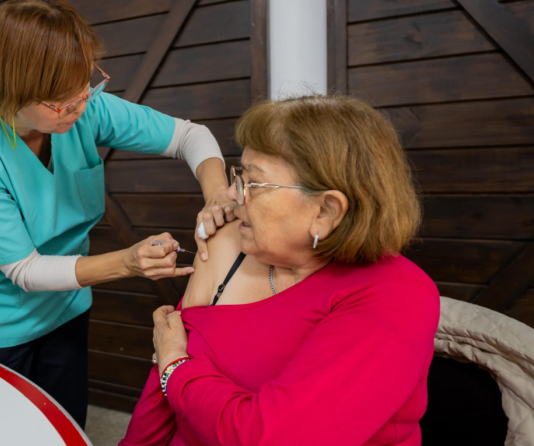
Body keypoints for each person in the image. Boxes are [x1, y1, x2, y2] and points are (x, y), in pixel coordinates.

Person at [0, 0, 236, 428]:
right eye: (61, 104)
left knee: (65, 425)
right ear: (11, 92)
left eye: (85, 90)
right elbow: (26, 270)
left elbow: (189, 136)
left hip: (65, 306)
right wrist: (129, 261)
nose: (78, 109)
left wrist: (217, 193)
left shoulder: (83, 105)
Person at [121, 95, 441, 446]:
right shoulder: (231, 245)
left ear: (326, 211)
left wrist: (174, 367)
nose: (230, 194)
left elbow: (272, 437)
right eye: (238, 174)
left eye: (252, 183)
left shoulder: (396, 294)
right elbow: (160, 392)